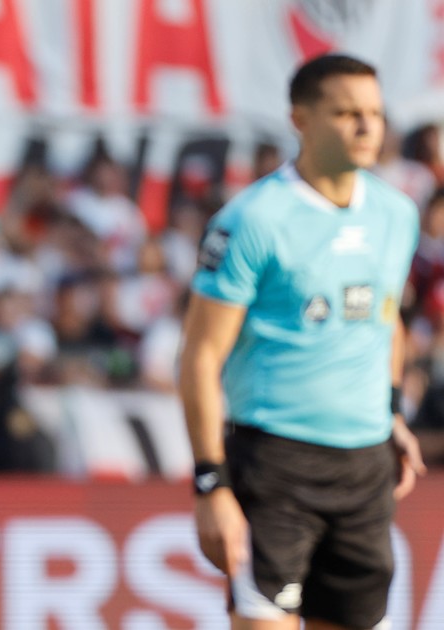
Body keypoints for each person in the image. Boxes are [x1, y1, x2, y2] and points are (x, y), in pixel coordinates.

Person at [179, 53, 425, 630]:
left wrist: (390, 412)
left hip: (365, 469)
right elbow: (200, 356)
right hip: (275, 465)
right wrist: (210, 483)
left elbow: (385, 320)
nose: (366, 127)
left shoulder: (396, 213)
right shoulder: (253, 220)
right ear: (301, 120)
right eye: (346, 113)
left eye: (374, 113)